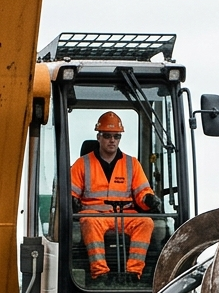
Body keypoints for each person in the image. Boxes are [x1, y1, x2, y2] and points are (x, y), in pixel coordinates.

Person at [69, 111, 163, 280]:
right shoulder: (82, 164)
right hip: (95, 216)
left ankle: (134, 273)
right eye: (107, 136)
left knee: (146, 223)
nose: (112, 140)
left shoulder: (131, 163)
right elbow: (71, 192)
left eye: (116, 136)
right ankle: (100, 273)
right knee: (89, 223)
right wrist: (72, 201)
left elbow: (142, 191)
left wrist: (149, 199)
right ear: (99, 137)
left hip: (125, 216)